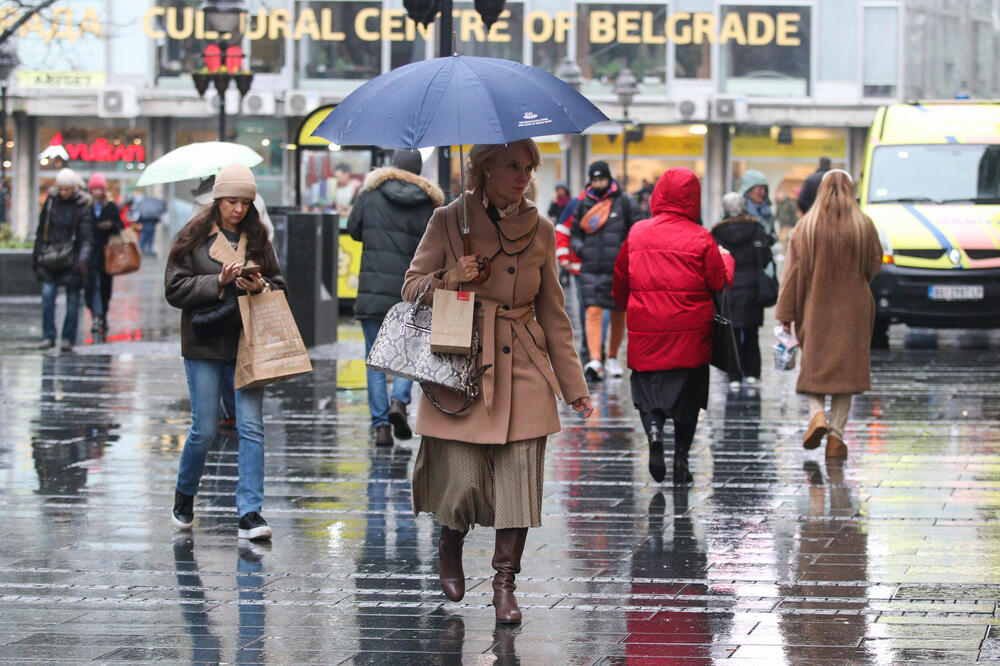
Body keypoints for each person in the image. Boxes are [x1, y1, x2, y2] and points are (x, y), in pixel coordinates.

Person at [402, 139, 593, 624]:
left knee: (518, 484)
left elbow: (554, 312)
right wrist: (452, 276)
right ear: (483, 168)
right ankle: (450, 541)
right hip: (462, 362)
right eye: (512, 165)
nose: (522, 176)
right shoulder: (448, 219)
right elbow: (410, 289)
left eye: (529, 168)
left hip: (523, 361)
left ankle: (505, 583)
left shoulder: (543, 229)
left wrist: (574, 387)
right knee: (462, 482)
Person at [164, 162, 286, 541]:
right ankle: (185, 496)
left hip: (246, 343)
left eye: (245, 202)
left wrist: (258, 284)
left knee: (251, 427)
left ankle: (250, 513)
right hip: (203, 342)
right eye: (232, 201)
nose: (238, 209)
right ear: (218, 199)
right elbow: (174, 288)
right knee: (203, 428)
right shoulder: (193, 236)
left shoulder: (259, 238)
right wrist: (217, 281)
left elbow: (279, 283)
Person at [612, 168, 734, 484]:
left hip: (646, 331)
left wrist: (626, 303)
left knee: (647, 390)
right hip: (689, 335)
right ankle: (681, 461)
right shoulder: (701, 237)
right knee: (688, 399)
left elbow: (621, 281)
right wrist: (727, 260)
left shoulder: (638, 232)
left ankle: (654, 433)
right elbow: (719, 281)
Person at [776, 170, 882, 459]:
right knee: (846, 373)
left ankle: (817, 414)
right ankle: (836, 435)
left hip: (814, 306)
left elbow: (792, 275)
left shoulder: (805, 227)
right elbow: (873, 266)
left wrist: (785, 313)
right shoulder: (864, 225)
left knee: (813, 367)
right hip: (854, 310)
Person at [348, 149, 443, 447]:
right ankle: (399, 401)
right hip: (411, 290)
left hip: (373, 289)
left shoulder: (370, 194)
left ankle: (380, 427)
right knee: (410, 351)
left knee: (374, 358)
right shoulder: (429, 203)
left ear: (392, 166)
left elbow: (353, 230)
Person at [568, 161, 643, 381]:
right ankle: (595, 359)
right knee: (592, 311)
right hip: (591, 268)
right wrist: (583, 250)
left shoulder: (625, 202)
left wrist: (623, 255)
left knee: (618, 313)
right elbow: (575, 233)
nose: (598, 184)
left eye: (602, 179)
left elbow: (636, 230)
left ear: (609, 179)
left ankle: (611, 357)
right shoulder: (583, 204)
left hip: (617, 269)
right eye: (595, 180)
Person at [711, 192, 775, 390]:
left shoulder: (717, 233)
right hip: (753, 288)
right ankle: (752, 374)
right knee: (752, 332)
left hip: (728, 288)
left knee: (731, 332)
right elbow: (765, 256)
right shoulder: (756, 229)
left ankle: (734, 376)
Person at [32, 167, 94, 351]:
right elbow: (42, 229)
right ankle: (48, 336)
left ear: (74, 188)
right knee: (47, 296)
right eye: (60, 188)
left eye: (67, 189)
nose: (63, 192)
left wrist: (82, 261)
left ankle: (68, 338)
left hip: (72, 259)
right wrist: (37, 254)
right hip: (50, 257)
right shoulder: (51, 202)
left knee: (73, 300)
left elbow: (86, 237)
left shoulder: (82, 206)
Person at [85, 172, 122, 341]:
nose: (97, 192)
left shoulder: (111, 206)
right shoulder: (86, 206)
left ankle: (103, 314)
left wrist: (110, 225)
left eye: (100, 188)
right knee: (91, 285)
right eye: (94, 189)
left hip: (107, 252)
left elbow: (120, 224)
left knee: (105, 286)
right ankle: (95, 315)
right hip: (90, 252)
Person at [739, 169, 774, 238]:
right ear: (748, 189)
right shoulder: (737, 210)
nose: (763, 192)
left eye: (765, 189)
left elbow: (772, 234)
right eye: (760, 188)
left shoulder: (767, 211)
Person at [135, 190, 167, 256]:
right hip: (151, 223)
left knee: (144, 236)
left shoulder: (143, 204)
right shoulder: (154, 205)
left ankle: (141, 248)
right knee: (150, 237)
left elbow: (139, 215)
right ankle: (148, 249)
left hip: (145, 223)